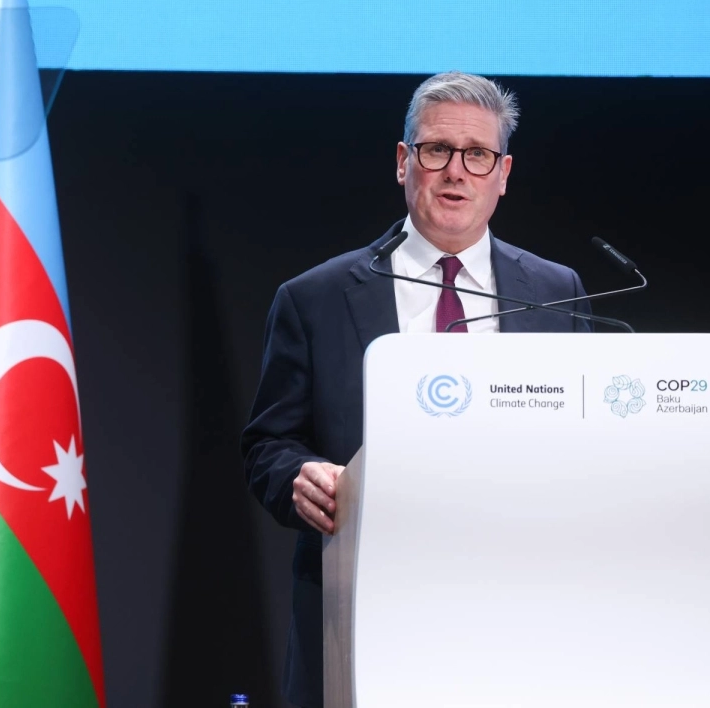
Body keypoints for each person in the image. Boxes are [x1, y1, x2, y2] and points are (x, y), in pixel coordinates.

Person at [240, 71, 593, 708]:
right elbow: (269, 444)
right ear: (405, 162)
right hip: (365, 614)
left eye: (477, 154)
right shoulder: (314, 298)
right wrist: (300, 475)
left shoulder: (555, 292)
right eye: (436, 150)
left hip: (519, 617)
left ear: (503, 172)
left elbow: (589, 442)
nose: (456, 171)